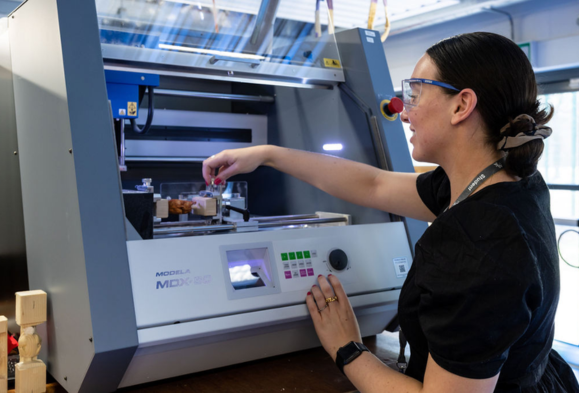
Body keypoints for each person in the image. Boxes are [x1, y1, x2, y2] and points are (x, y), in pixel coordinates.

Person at [202, 32, 579, 392]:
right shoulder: (503, 183)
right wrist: (268, 155)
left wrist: (347, 347)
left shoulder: (479, 240)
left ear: (462, 105)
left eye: (415, 93)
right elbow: (373, 185)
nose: (404, 111)